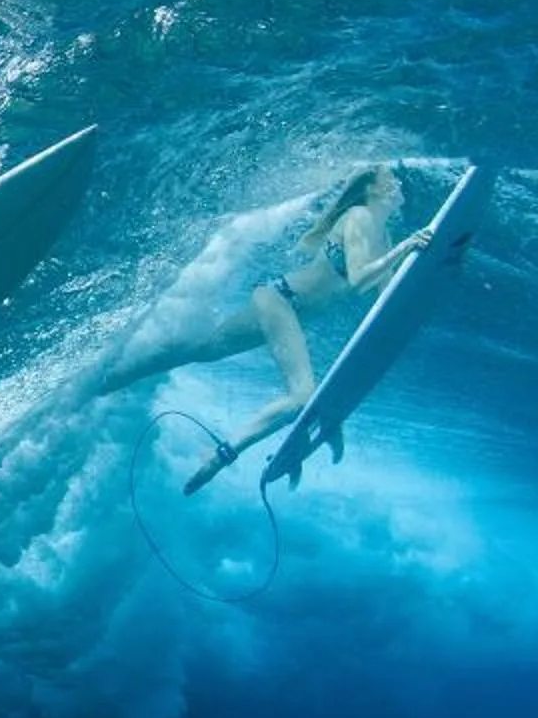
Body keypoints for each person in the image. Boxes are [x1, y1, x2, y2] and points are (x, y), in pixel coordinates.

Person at [99, 163, 436, 492]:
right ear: (372, 188)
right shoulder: (359, 217)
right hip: (282, 300)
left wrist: (426, 271)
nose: (398, 182)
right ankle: (220, 456)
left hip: (282, 303)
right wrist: (407, 247)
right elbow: (361, 279)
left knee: (205, 349)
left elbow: (386, 294)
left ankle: (117, 374)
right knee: (301, 395)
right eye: (390, 177)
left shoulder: (382, 235)